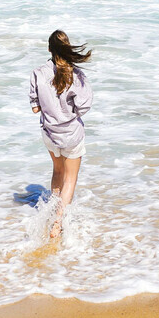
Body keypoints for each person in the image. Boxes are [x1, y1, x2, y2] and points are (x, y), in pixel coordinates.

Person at [29, 30, 93, 239]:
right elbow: (83, 107)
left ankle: (49, 213)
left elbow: (35, 108)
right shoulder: (76, 75)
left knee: (57, 171)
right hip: (71, 133)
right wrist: (68, 112)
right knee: (70, 179)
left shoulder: (38, 73)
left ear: (49, 49)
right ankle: (58, 223)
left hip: (49, 133)